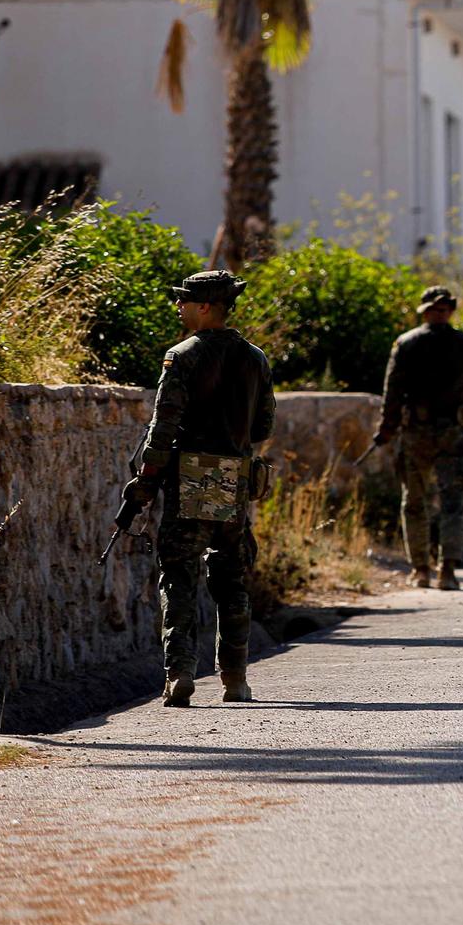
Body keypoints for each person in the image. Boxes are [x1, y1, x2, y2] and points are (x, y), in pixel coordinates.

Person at [119, 270, 275, 708]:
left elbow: (163, 427)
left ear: (205, 306)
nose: (179, 307)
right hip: (235, 480)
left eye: (184, 301)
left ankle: (180, 674)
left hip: (190, 478)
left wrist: (146, 482)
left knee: (180, 577)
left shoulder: (181, 356)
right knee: (233, 578)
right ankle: (235, 679)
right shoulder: (256, 358)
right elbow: (264, 425)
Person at [374, 286, 463, 590]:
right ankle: (448, 572)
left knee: (414, 502)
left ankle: (420, 570)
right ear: (450, 311)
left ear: (424, 310)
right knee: (452, 502)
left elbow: (391, 395)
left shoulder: (406, 344)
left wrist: (386, 429)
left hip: (416, 431)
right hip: (454, 433)